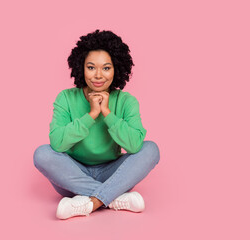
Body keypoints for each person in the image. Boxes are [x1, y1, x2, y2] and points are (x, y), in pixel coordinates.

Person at [33, 29, 160, 220]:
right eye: (91, 67)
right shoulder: (66, 98)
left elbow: (134, 145)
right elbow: (57, 144)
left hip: (114, 173)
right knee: (42, 154)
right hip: (73, 176)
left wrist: (107, 113)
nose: (98, 75)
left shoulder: (126, 101)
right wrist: (91, 114)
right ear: (81, 68)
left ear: (117, 68)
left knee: (151, 149)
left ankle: (91, 203)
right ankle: (114, 198)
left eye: (106, 68)